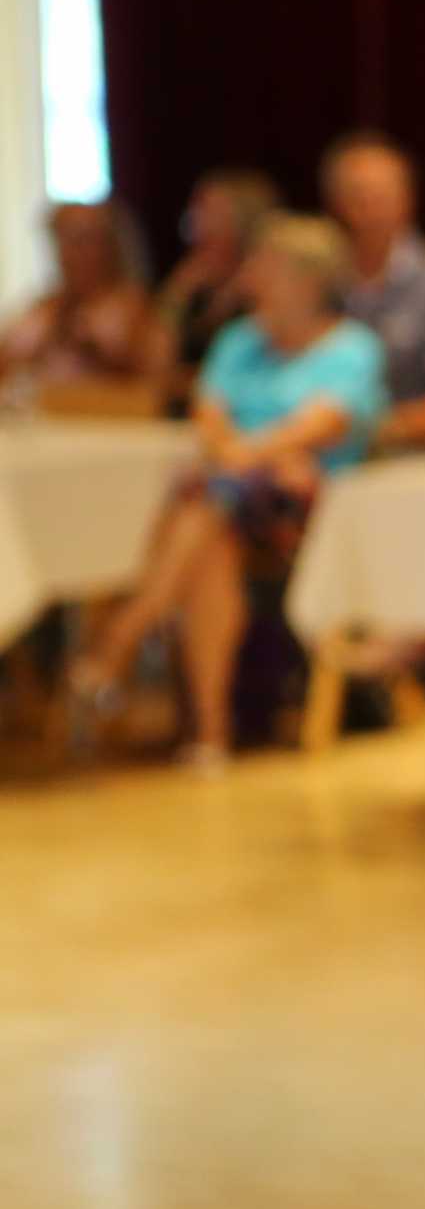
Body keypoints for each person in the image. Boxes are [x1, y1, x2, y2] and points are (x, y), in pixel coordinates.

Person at [69, 215, 385, 766]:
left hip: (309, 510)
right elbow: (207, 412)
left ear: (309, 281)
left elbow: (321, 427)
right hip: (230, 498)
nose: (253, 279)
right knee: (212, 539)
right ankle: (210, 734)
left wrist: (244, 455)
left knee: (208, 507)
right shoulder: (240, 341)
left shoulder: (352, 348)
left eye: (269, 268)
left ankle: (121, 641)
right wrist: (241, 457)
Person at [320, 131, 425, 451]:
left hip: (414, 457)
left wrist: (371, 429)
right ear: (335, 204)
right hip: (321, 455)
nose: (371, 208)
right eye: (358, 194)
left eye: (384, 194)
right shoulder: (318, 284)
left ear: (409, 199)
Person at [0, 201, 165, 396]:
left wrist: (106, 355)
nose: (74, 251)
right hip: (51, 412)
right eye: (65, 240)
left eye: (86, 239)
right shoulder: (44, 309)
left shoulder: (136, 308)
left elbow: (160, 378)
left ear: (109, 245)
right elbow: (8, 356)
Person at [154, 169, 281, 411]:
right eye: (198, 211)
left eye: (215, 213)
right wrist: (176, 295)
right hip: (184, 416)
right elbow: (154, 370)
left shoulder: (269, 290)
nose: (201, 223)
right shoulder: (190, 285)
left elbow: (269, 373)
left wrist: (197, 382)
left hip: (248, 417)